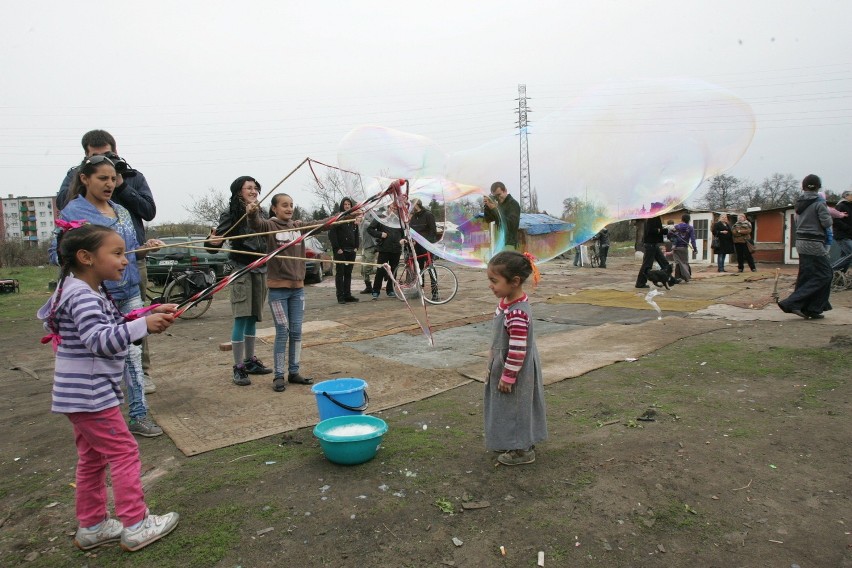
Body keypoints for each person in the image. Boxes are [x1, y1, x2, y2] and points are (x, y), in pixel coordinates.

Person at [38, 224, 179, 552]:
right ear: (86, 257)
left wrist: (148, 312)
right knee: (124, 452)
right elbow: (99, 340)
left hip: (77, 394)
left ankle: (93, 525)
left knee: (92, 458)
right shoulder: (83, 295)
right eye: (116, 253)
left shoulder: (78, 290)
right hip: (90, 395)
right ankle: (136, 523)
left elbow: (109, 323)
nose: (125, 260)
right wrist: (142, 326)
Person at [51, 155, 163, 438]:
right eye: (103, 178)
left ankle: (138, 414)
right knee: (104, 354)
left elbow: (128, 251)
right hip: (97, 295)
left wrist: (145, 249)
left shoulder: (121, 211)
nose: (110, 184)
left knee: (133, 354)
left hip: (129, 292)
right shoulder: (72, 212)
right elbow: (59, 254)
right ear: (85, 179)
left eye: (113, 179)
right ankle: (100, 415)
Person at [247, 194, 319, 391]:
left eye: (291, 205)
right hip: (278, 291)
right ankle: (279, 376)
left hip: (298, 290)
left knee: (296, 331)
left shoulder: (298, 226)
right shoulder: (270, 225)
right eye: (284, 205)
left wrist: (343, 216)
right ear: (274, 209)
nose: (289, 208)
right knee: (283, 332)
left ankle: (294, 372)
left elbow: (322, 224)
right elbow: (256, 224)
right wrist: (252, 213)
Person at [207, 176, 272, 386]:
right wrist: (212, 241)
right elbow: (214, 244)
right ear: (238, 192)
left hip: (260, 269)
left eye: (255, 188)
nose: (253, 191)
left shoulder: (261, 212)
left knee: (253, 317)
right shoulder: (231, 214)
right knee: (241, 317)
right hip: (240, 270)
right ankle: (238, 367)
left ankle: (250, 360)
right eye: (249, 188)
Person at [484, 251, 547, 466]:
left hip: (515, 370)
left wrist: (508, 376)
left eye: (494, 281)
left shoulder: (517, 313)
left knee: (517, 408)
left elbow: (518, 349)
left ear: (515, 282)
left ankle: (522, 449)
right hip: (506, 365)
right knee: (507, 407)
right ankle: (513, 440)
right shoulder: (507, 302)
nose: (491, 286)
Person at [778, 174, 834, 319]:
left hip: (801, 242)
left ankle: (810, 308)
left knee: (807, 275)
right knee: (825, 274)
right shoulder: (819, 203)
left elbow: (797, 222)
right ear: (818, 186)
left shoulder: (799, 203)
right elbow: (827, 223)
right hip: (814, 243)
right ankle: (792, 303)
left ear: (803, 186)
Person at [367, 203, 404, 300]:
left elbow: (404, 233)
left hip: (396, 249)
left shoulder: (400, 220)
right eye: (391, 208)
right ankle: (376, 290)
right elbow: (370, 229)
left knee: (394, 271)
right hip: (384, 249)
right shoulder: (381, 218)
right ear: (388, 208)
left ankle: (390, 290)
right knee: (380, 270)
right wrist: (380, 234)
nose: (393, 210)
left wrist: (403, 239)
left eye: (395, 209)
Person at [328, 197, 360, 304]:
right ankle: (340, 296)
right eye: (345, 204)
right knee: (340, 273)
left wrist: (356, 246)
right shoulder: (338, 218)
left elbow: (356, 233)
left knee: (348, 273)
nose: (347, 206)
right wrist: (337, 248)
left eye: (349, 204)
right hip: (341, 251)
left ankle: (348, 294)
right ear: (342, 205)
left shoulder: (352, 219)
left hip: (351, 250)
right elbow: (332, 233)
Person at [635, 215, 672, 288]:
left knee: (664, 263)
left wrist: (665, 230)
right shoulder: (652, 218)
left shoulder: (654, 218)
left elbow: (657, 229)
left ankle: (671, 280)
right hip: (650, 245)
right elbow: (651, 230)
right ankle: (640, 283)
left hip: (654, 244)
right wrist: (663, 231)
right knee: (647, 265)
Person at [483, 181, 521, 251]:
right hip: (498, 243)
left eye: (499, 194)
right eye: (495, 196)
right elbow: (489, 220)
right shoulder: (499, 206)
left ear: (505, 191)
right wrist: (487, 206)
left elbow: (511, 224)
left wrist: (495, 209)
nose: (497, 198)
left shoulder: (513, 204)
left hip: (509, 244)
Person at [668, 214, 697, 282]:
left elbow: (669, 234)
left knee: (678, 262)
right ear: (689, 220)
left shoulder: (676, 226)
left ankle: (677, 278)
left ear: (681, 219)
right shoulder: (690, 228)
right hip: (684, 247)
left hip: (676, 247)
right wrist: (694, 248)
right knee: (685, 262)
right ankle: (686, 277)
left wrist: (672, 240)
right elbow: (693, 239)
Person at [834, 190, 852, 271]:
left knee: (845, 258)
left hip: (848, 235)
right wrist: (847, 228)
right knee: (850, 255)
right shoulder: (840, 206)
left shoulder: (850, 206)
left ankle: (839, 275)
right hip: (843, 235)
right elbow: (835, 220)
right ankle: (831, 269)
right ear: (846, 196)